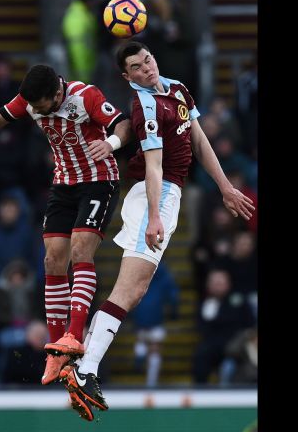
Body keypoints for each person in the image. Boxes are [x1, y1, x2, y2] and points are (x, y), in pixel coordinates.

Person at [59, 41, 255, 421]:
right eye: (137, 66)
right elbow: (153, 166)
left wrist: (226, 187)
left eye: (147, 59)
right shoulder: (144, 105)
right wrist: (153, 216)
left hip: (170, 194)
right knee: (129, 289)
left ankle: (83, 363)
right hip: (157, 193)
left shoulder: (177, 88)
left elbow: (199, 140)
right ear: (127, 76)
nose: (146, 68)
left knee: (135, 290)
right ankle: (84, 368)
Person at [0, 64, 134, 389]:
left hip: (99, 180)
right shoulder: (29, 99)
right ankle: (56, 349)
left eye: (41, 106)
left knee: (80, 249)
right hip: (63, 184)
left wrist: (112, 144)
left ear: (57, 94)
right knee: (52, 259)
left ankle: (75, 336)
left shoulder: (85, 95)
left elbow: (123, 124)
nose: (34, 111)